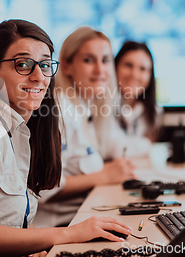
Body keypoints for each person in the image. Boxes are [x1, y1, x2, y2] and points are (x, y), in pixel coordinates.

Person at [0, 20, 132, 257]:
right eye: (22, 64)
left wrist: (33, 247)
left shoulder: (18, 132)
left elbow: (13, 218)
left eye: (44, 65)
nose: (38, 76)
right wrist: (68, 233)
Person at [34, 26, 150, 228]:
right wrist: (104, 175)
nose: (100, 69)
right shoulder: (61, 112)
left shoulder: (87, 109)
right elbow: (44, 190)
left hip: (81, 217)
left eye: (105, 60)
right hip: (59, 227)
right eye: (89, 60)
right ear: (67, 66)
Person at [114, 41, 163, 142]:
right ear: (115, 67)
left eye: (142, 69)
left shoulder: (154, 112)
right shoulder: (100, 106)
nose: (135, 74)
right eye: (128, 65)